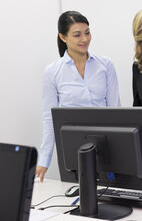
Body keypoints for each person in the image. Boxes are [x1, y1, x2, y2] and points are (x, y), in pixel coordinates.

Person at [36, 11, 121, 182]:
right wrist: (44, 160)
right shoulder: (52, 72)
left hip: (106, 143)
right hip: (73, 146)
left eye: (87, 32)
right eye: (77, 35)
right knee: (79, 198)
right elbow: (49, 119)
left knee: (113, 194)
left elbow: (115, 110)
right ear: (63, 37)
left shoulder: (105, 65)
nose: (84, 39)